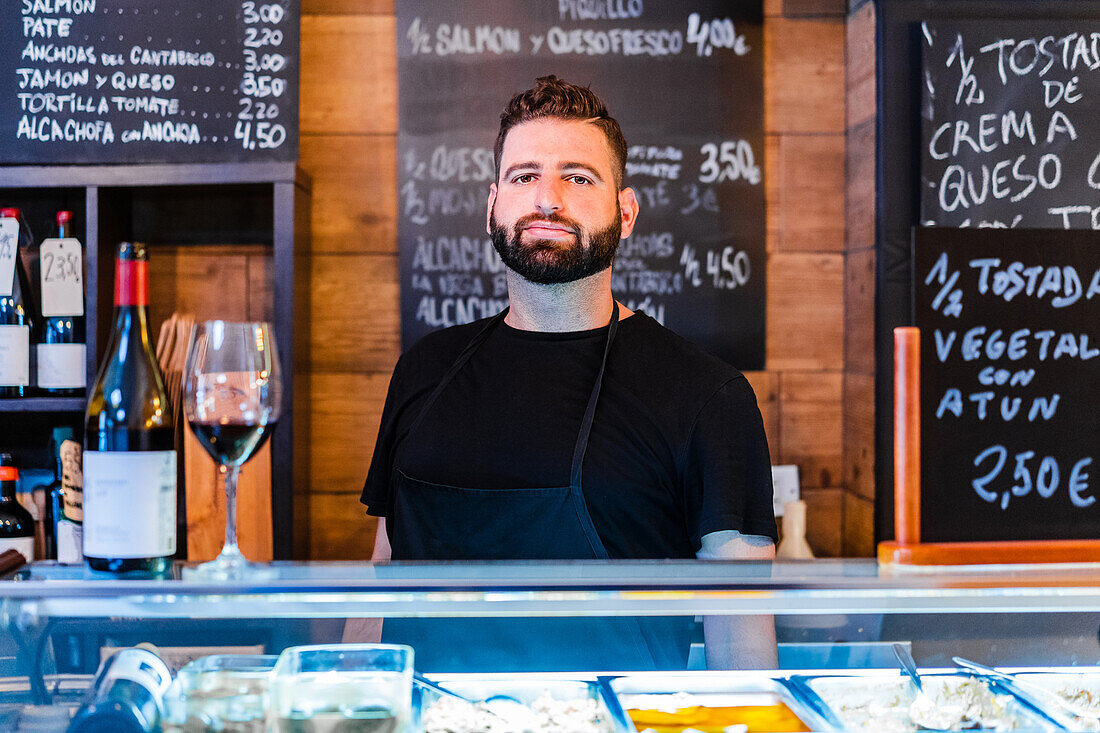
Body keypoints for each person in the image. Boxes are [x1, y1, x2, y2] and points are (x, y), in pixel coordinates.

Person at [350, 75, 777, 670]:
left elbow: (744, 648)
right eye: (525, 176)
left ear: (625, 213)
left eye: (578, 178)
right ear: (492, 204)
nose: (547, 198)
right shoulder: (424, 370)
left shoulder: (707, 395)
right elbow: (383, 577)